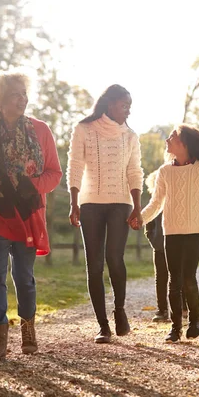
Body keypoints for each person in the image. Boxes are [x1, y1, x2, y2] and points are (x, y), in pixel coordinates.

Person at [0, 69, 62, 362]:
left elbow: (54, 173)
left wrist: (34, 186)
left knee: (24, 276)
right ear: (0, 100)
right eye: (16, 94)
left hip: (28, 212)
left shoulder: (41, 130)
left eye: (24, 93)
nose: (22, 99)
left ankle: (28, 331)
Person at [67, 84, 144, 344]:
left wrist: (137, 206)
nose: (128, 111)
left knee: (114, 257)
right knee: (95, 264)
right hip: (90, 204)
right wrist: (74, 202)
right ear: (110, 104)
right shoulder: (84, 129)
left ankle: (119, 310)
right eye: (125, 105)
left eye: (129, 106)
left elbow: (134, 171)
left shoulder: (130, 136)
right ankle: (103, 325)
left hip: (120, 202)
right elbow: (75, 165)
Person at [140, 124, 199, 343]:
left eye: (172, 137)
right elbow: (156, 203)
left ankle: (195, 318)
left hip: (194, 232)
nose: (167, 140)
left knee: (188, 278)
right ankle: (175, 327)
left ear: (183, 143)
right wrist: (140, 218)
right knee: (173, 281)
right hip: (171, 232)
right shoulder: (164, 172)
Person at [143, 171, 187, 322]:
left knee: (180, 277)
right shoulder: (153, 206)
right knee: (161, 279)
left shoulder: (177, 202)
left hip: (177, 247)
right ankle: (162, 310)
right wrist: (155, 242)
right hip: (160, 248)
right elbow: (148, 228)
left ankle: (183, 306)